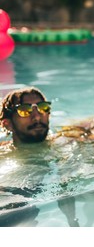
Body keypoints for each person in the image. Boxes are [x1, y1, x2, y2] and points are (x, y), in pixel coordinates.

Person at [0, 87, 78, 227]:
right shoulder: (2, 154)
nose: (36, 117)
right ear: (8, 124)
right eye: (25, 111)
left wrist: (72, 222)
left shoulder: (64, 147)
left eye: (43, 108)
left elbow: (65, 188)